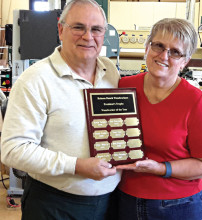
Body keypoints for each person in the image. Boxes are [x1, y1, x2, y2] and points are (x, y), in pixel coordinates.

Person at [1, 0, 121, 219]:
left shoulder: (110, 72)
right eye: (78, 27)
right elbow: (13, 150)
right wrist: (77, 166)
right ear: (60, 29)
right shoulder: (35, 80)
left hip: (109, 202)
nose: (88, 36)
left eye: (96, 29)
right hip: (54, 205)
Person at [117, 18, 202, 220]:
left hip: (179, 206)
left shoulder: (195, 100)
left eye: (175, 52)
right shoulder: (123, 87)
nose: (164, 55)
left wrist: (161, 169)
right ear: (147, 47)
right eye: (159, 46)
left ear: (185, 61)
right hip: (125, 199)